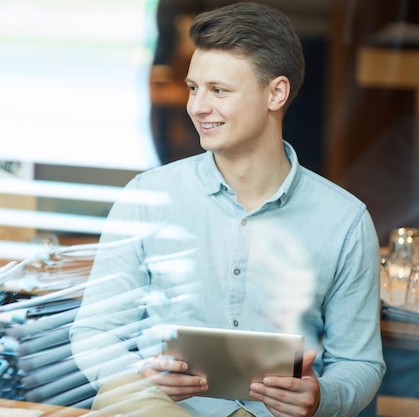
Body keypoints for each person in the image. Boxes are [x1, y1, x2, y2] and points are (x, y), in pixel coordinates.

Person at [69, 2, 385, 417]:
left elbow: (360, 363)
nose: (197, 107)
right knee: (120, 398)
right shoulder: (147, 198)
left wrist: (323, 397)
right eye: (193, 87)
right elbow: (94, 332)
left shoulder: (345, 221)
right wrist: (140, 373)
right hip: (163, 412)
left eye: (218, 91)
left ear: (276, 93)